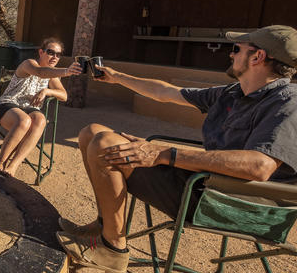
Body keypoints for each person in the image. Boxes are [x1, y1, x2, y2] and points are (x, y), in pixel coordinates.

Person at [56, 25, 297, 273]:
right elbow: (166, 92)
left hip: (234, 205)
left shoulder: (288, 102)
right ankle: (103, 227)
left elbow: (260, 166)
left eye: (236, 49)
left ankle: (113, 250)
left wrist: (163, 154)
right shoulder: (233, 93)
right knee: (91, 132)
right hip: (206, 184)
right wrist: (117, 77)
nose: (230, 54)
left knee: (104, 145)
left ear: (257, 57)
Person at [0, 38, 81, 177]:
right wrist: (67, 71)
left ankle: (13, 166)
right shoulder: (29, 64)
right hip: (9, 103)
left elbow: (64, 96)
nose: (54, 57)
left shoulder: (53, 74)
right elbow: (40, 72)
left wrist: (47, 91)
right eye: (50, 52)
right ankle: (1, 163)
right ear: (41, 52)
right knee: (24, 121)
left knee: (40, 120)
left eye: (58, 54)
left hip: (30, 108)